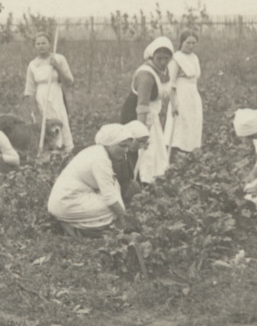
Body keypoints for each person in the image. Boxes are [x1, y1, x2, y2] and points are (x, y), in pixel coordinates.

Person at [48, 124, 132, 235]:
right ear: (109, 143)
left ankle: (76, 224)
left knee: (115, 190)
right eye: (122, 146)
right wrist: (126, 221)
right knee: (112, 210)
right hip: (66, 202)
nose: (126, 150)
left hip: (65, 200)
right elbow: (110, 198)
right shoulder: (100, 159)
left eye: (127, 147)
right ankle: (77, 229)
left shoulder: (97, 152)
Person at [121, 37, 174, 183]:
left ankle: (153, 177)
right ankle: (139, 180)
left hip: (151, 113)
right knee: (140, 147)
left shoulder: (164, 70)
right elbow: (142, 105)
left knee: (154, 147)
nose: (163, 61)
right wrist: (141, 131)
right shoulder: (146, 75)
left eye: (166, 58)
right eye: (159, 58)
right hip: (136, 114)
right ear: (152, 56)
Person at [23, 33, 74, 153]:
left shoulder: (58, 59)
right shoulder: (32, 65)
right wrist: (31, 107)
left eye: (44, 43)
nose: (41, 46)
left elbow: (69, 81)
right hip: (40, 95)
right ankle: (52, 148)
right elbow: (29, 88)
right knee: (46, 121)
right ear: (35, 46)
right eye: (38, 44)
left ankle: (66, 147)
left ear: (50, 44)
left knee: (60, 118)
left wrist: (57, 67)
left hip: (55, 92)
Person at [167, 31, 203, 155]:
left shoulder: (195, 58)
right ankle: (176, 155)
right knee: (181, 125)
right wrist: (173, 104)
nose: (191, 46)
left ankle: (190, 152)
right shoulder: (176, 58)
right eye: (188, 43)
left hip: (193, 95)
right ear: (182, 42)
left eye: (194, 43)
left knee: (193, 123)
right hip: (180, 95)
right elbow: (171, 83)